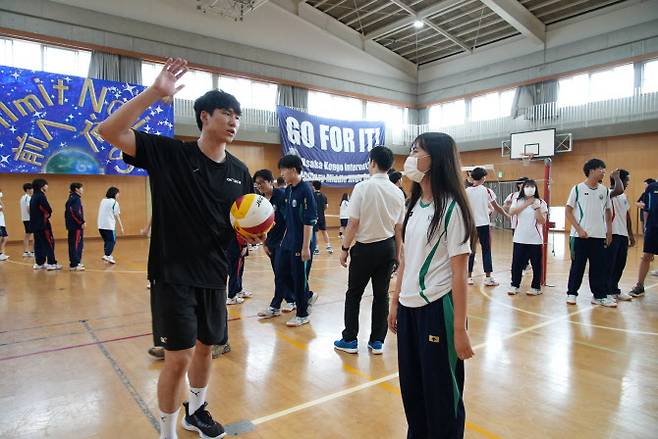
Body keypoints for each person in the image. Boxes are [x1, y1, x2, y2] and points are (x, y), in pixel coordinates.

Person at [98, 58, 261, 439]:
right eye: (226, 113)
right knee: (178, 358)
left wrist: (250, 237)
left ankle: (197, 412)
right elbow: (110, 130)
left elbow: (238, 224)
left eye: (238, 115)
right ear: (204, 117)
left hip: (214, 274)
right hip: (173, 274)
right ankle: (167, 431)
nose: (234, 121)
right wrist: (155, 93)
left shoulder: (240, 172)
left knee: (206, 349)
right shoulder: (171, 155)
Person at [388, 132, 475, 438]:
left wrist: (460, 330)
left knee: (441, 397)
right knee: (413, 392)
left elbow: (459, 274)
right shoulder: (412, 207)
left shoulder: (453, 209)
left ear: (434, 159)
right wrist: (395, 300)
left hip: (437, 309)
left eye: (417, 151)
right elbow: (406, 259)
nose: (411, 157)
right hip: (409, 310)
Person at [333, 146, 405, 355]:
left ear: (372, 162)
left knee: (354, 294)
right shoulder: (397, 192)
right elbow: (398, 228)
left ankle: (350, 339)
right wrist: (397, 254)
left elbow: (353, 223)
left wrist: (345, 248)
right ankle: (377, 342)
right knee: (381, 295)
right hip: (387, 248)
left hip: (364, 249)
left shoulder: (362, 188)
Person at [565, 159, 622, 307]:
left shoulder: (604, 191)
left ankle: (599, 296)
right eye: (601, 169)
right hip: (580, 237)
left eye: (604, 169)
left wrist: (609, 232)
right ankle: (572, 293)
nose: (603, 171)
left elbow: (608, 212)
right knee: (578, 266)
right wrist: (579, 229)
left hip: (599, 237)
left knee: (598, 268)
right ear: (591, 170)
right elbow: (568, 211)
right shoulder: (577, 189)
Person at [276, 154, 318, 327]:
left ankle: (302, 314)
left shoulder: (305, 190)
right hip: (289, 240)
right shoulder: (289, 189)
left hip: (302, 242)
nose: (282, 174)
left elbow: (309, 221)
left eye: (283, 171)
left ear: (293, 170)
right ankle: (307, 296)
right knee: (282, 272)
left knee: (299, 278)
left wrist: (306, 247)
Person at [255, 169, 298, 318]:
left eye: (262, 182)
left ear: (270, 181)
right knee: (281, 273)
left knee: (280, 274)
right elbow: (260, 224)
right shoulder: (260, 200)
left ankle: (275, 306)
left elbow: (289, 220)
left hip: (283, 241)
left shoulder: (281, 195)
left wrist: (287, 240)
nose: (259, 186)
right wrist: (264, 244)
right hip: (270, 241)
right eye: (257, 183)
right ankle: (294, 299)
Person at [466, 167, 507, 286]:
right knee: (486, 250)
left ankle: (469, 277)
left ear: (472, 177)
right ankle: (488, 278)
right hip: (483, 225)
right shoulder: (487, 191)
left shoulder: (466, 191)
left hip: (471, 225)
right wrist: (507, 215)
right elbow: (497, 207)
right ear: (484, 178)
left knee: (471, 250)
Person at [507, 180, 548, 295]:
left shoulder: (541, 202)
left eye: (532, 186)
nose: (529, 188)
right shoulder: (517, 200)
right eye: (527, 186)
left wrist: (536, 208)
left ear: (535, 188)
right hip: (519, 238)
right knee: (516, 264)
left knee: (536, 264)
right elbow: (511, 212)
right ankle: (515, 285)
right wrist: (526, 204)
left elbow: (542, 221)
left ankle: (536, 287)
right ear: (523, 188)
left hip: (535, 239)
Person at [605, 169, 635, 302]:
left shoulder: (624, 196)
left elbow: (627, 216)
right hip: (612, 233)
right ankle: (607, 291)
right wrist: (616, 177)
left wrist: (631, 234)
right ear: (619, 180)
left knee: (620, 264)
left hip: (622, 235)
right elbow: (618, 190)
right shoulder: (607, 193)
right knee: (610, 264)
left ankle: (615, 289)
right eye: (626, 180)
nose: (628, 182)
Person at [627, 178, 658, 297]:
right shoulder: (652, 187)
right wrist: (646, 226)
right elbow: (646, 208)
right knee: (646, 256)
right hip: (653, 228)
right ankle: (640, 285)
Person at [30, 178, 61, 270]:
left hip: (35, 225)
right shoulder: (41, 196)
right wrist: (48, 215)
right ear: (42, 186)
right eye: (46, 185)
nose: (47, 186)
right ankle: (51, 263)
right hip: (43, 225)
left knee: (39, 244)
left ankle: (39, 263)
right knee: (49, 242)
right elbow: (47, 209)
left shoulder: (34, 196)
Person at [97, 187, 124, 264]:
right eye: (118, 193)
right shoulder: (115, 202)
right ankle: (107, 255)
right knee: (112, 241)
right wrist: (121, 227)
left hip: (100, 225)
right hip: (109, 226)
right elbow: (117, 215)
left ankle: (108, 256)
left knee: (107, 241)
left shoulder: (103, 200)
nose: (118, 195)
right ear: (115, 194)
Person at [65, 182, 86, 271]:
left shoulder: (71, 197)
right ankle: (75, 264)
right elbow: (73, 212)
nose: (82, 190)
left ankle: (74, 263)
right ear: (77, 189)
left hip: (72, 226)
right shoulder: (76, 199)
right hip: (76, 226)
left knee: (73, 244)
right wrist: (81, 222)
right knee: (76, 244)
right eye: (81, 188)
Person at [311, 181, 333, 255]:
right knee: (324, 231)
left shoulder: (312, 195)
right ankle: (329, 247)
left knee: (315, 233)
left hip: (315, 217)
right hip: (322, 217)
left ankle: (316, 249)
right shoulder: (324, 195)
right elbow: (326, 206)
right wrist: (321, 211)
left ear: (313, 187)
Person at [20, 183, 34, 257]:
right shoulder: (28, 198)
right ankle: (32, 251)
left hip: (26, 218)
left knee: (27, 235)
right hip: (29, 219)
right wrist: (33, 216)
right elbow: (28, 208)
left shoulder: (23, 197)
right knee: (33, 235)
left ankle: (26, 251)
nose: (33, 190)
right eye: (32, 189)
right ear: (28, 189)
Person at [0, 189, 7, 261]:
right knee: (3, 237)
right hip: (0, 223)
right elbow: (3, 208)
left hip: (2, 222)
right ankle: (1, 254)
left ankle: (2, 253)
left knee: (5, 237)